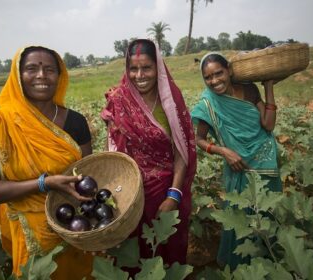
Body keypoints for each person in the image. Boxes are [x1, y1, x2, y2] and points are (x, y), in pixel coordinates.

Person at [0, 46, 94, 279]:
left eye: (49, 69)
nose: (41, 75)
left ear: (59, 77)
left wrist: (95, 228)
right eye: (31, 69)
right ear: (18, 76)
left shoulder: (76, 122)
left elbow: (87, 180)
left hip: (74, 229)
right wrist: (43, 183)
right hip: (32, 241)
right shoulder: (0, 124)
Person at [101, 39, 197, 267]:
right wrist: (119, 196)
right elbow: (114, 151)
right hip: (130, 195)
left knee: (167, 251)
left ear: (158, 68)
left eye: (146, 68)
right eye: (133, 68)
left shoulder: (170, 102)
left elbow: (181, 151)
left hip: (165, 192)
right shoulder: (118, 101)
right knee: (133, 256)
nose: (139, 75)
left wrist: (173, 196)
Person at [191, 52, 282, 270]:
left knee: (266, 214)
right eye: (208, 77)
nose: (214, 81)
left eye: (218, 73)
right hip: (238, 166)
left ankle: (268, 266)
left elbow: (268, 125)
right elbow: (198, 139)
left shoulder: (250, 89)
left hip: (265, 160)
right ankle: (242, 269)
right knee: (241, 218)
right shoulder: (207, 103)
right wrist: (224, 151)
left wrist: (268, 87)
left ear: (229, 70)